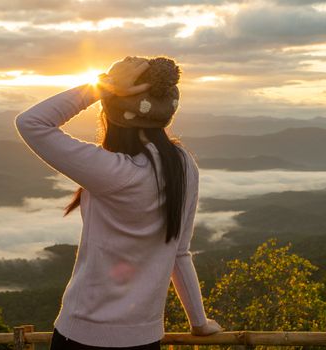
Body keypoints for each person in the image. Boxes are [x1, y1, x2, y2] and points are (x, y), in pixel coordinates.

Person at [14, 55, 224, 350]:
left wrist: (104, 85)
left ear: (111, 112)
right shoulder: (183, 165)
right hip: (145, 339)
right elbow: (180, 252)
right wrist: (198, 323)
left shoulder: (113, 171)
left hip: (81, 334)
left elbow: (31, 122)